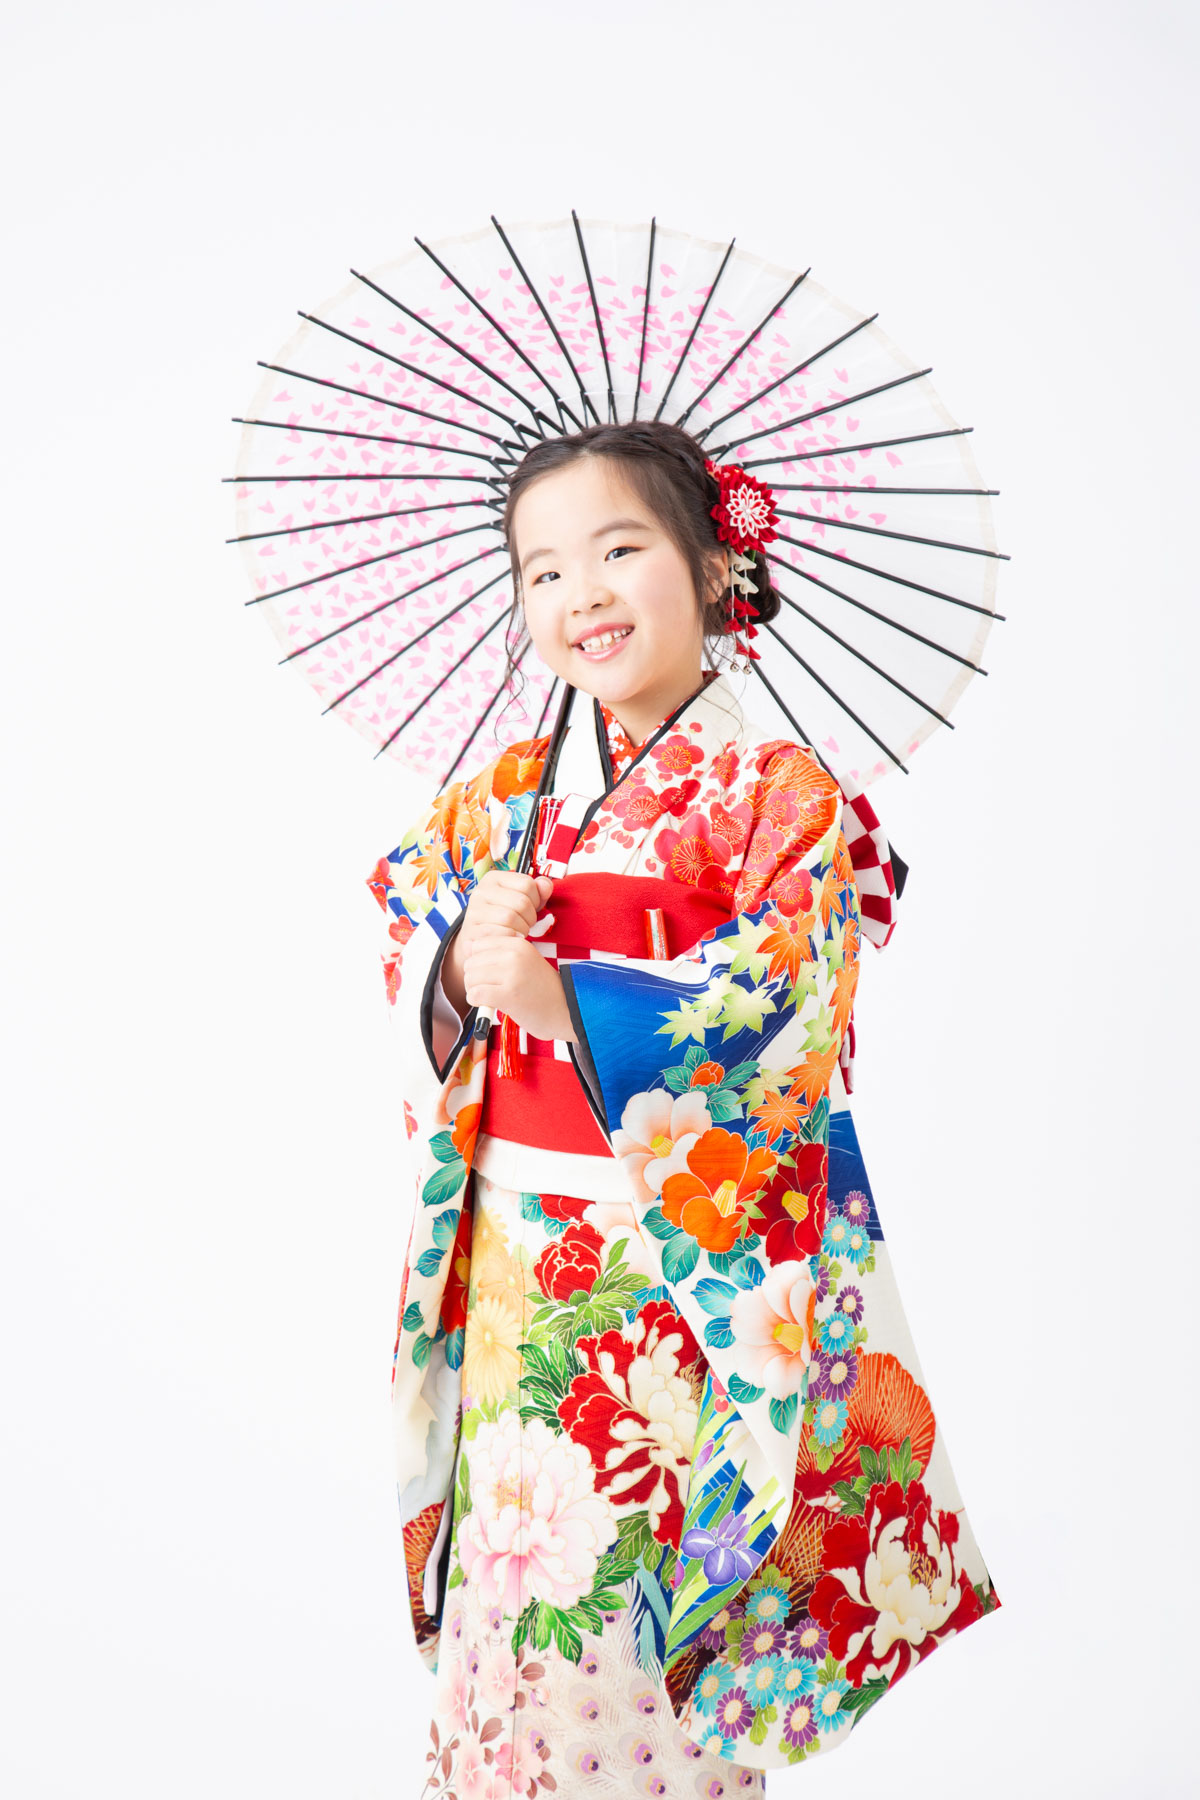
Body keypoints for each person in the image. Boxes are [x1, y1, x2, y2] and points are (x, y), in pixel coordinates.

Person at [368, 420, 1001, 1798]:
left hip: (675, 1278)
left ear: (717, 566)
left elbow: (793, 1002)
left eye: (618, 549)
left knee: (634, 1627)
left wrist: (566, 1002)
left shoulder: (777, 792)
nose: (579, 594)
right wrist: (461, 958)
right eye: (542, 570)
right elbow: (405, 924)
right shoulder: (506, 797)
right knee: (507, 1614)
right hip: (512, 1263)